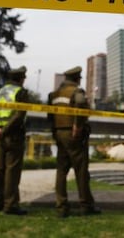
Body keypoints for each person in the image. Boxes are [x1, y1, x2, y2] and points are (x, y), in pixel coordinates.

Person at [48, 66, 101, 218]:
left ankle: (61, 207)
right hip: (74, 135)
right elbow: (79, 103)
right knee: (81, 171)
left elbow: (49, 115)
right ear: (77, 79)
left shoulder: (54, 94)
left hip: (59, 133)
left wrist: (56, 130)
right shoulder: (77, 92)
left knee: (61, 170)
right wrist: (77, 125)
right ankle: (86, 205)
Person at [0, 66, 29, 215]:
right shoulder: (20, 92)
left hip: (0, 136)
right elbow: (19, 115)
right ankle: (11, 205)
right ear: (21, 78)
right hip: (14, 136)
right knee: (12, 172)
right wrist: (4, 130)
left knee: (0, 170)